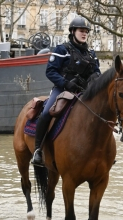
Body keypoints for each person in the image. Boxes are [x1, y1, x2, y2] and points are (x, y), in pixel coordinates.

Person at [31, 16, 101, 166]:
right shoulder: (62, 49)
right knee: (46, 112)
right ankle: (38, 150)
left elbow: (97, 73)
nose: (84, 34)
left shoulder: (91, 54)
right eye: (81, 31)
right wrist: (66, 83)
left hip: (85, 92)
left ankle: (101, 151)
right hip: (63, 90)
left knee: (100, 113)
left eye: (86, 32)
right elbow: (50, 71)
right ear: (73, 31)